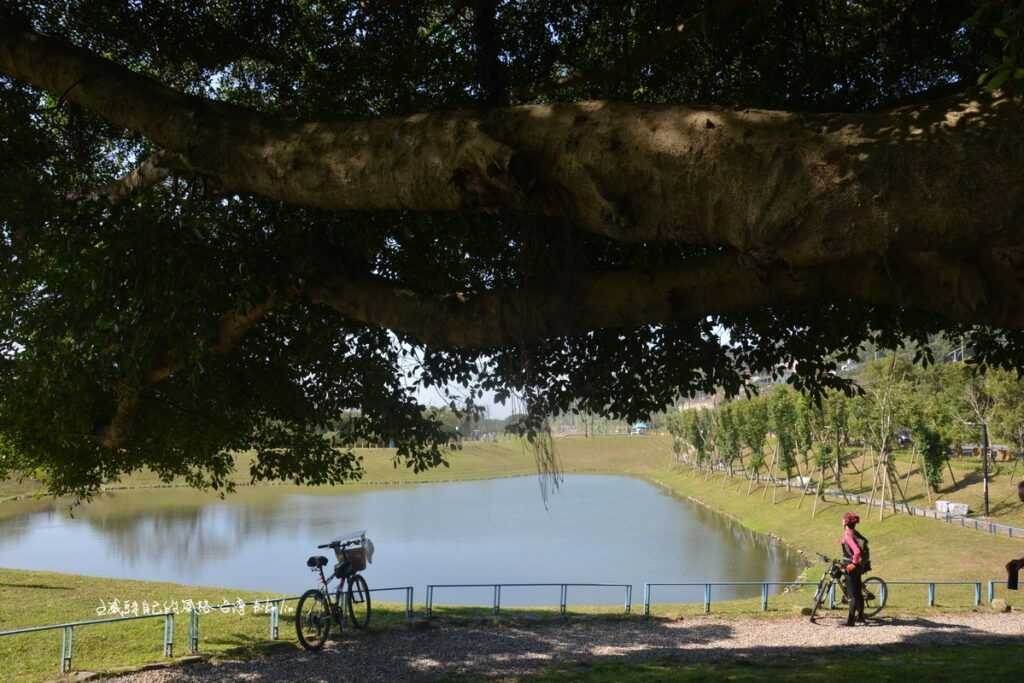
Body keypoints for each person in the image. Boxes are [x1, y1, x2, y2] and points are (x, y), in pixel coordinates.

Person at [840, 511, 868, 626]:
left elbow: (856, 551)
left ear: (846, 522)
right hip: (858, 568)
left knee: (851, 595)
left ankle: (850, 621)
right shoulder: (854, 532)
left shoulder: (848, 534)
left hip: (851, 568)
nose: (841, 520)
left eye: (843, 519)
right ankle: (861, 616)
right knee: (858, 592)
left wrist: (853, 564)